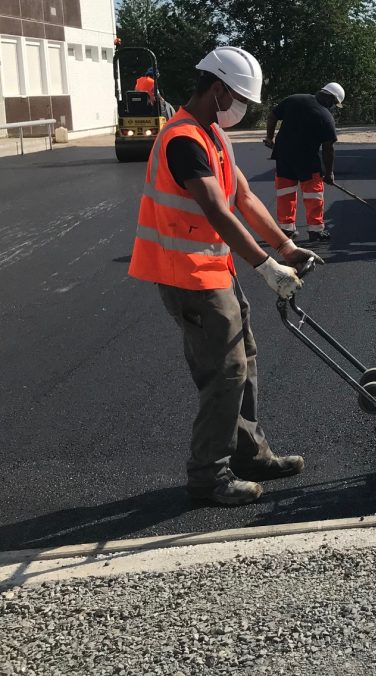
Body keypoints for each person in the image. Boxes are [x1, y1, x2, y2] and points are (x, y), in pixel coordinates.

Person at [128, 46, 321, 506]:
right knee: (225, 370)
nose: (243, 111)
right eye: (240, 101)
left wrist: (286, 246)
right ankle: (207, 476)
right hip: (185, 274)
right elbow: (216, 209)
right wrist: (266, 266)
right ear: (218, 90)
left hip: (213, 266)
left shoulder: (212, 133)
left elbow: (244, 197)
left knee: (244, 359)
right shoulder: (183, 141)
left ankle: (249, 456)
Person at [264, 83, 344, 242]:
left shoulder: (294, 99)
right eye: (334, 103)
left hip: (284, 156)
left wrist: (269, 137)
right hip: (307, 161)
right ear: (330, 99)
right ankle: (315, 230)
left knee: (285, 193)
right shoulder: (326, 117)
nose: (333, 107)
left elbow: (272, 115)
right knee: (313, 195)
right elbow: (328, 149)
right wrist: (329, 173)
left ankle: (286, 230)